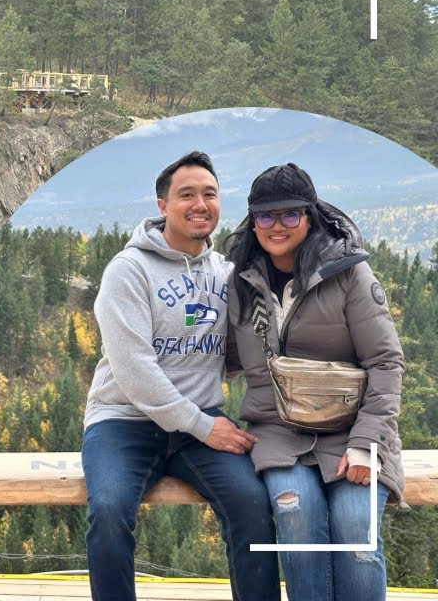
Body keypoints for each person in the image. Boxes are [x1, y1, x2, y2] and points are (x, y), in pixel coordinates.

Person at [82, 151, 279, 601]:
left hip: (199, 424)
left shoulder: (227, 274)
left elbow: (242, 352)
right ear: (161, 205)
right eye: (185, 194)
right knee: (109, 511)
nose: (199, 204)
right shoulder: (128, 271)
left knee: (252, 505)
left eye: (209, 194)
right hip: (124, 421)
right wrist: (203, 425)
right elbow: (134, 369)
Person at [225, 163, 404, 601]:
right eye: (265, 216)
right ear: (252, 222)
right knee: (296, 517)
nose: (277, 226)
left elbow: (385, 361)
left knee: (355, 530)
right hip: (278, 433)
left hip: (354, 431)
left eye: (290, 214)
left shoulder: (349, 275)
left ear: (311, 216)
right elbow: (215, 358)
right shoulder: (241, 282)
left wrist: (367, 444)